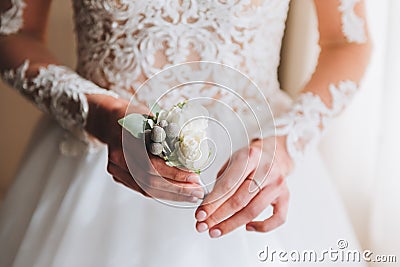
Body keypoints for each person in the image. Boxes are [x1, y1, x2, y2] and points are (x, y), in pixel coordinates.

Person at [0, 0, 371, 266]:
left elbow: (348, 41)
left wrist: (286, 144)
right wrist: (102, 113)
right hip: (96, 157)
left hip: (259, 166)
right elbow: (14, 31)